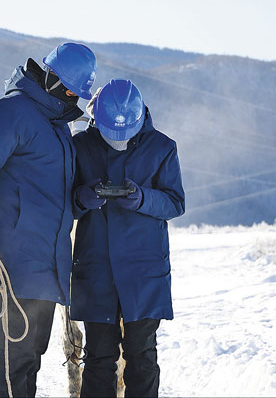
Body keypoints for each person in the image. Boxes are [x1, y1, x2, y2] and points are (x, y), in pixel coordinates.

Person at [0, 42, 97, 398]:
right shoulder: (12, 112)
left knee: (32, 359)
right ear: (50, 77)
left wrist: (84, 198)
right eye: (68, 90)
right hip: (11, 265)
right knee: (13, 362)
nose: (72, 99)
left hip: (46, 269)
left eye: (76, 93)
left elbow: (53, 195)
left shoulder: (58, 126)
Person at [70, 78, 185, 398]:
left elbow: (176, 202)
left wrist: (143, 199)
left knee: (142, 357)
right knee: (98, 359)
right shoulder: (80, 147)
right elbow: (63, 204)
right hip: (96, 270)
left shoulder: (162, 147)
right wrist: (82, 197)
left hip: (144, 272)